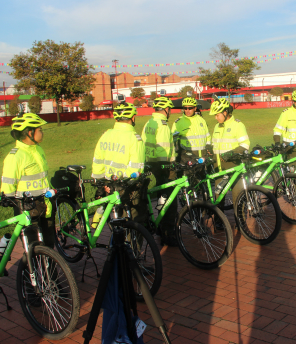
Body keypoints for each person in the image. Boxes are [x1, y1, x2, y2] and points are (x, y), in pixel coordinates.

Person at [1, 113, 55, 248]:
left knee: (49, 244)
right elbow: (8, 183)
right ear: (30, 132)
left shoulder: (38, 150)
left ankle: (50, 268)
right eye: (40, 130)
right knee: (33, 247)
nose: (42, 132)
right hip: (27, 208)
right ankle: (30, 269)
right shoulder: (16, 156)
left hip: (44, 204)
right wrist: (8, 198)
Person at [91, 102, 145, 228]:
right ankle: (133, 246)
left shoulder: (105, 135)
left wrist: (101, 183)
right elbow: (137, 167)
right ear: (132, 118)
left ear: (116, 119)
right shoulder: (134, 138)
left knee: (116, 220)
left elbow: (98, 161)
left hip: (109, 185)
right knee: (136, 219)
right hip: (127, 187)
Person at [142, 96, 178, 246]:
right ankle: (168, 234)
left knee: (161, 196)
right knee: (170, 199)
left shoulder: (148, 123)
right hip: (163, 166)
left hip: (150, 163)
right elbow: (163, 149)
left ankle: (160, 225)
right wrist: (168, 167)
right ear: (166, 109)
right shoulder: (163, 125)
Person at [210, 97, 250, 171]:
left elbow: (245, 144)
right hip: (218, 168)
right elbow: (214, 144)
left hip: (233, 167)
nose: (215, 118)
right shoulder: (217, 126)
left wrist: (231, 153)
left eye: (217, 115)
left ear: (225, 112)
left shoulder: (237, 125)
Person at [171, 95, 212, 163]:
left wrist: (208, 146)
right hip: (187, 157)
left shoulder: (201, 120)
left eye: (190, 108)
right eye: (185, 108)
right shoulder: (178, 122)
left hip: (203, 155)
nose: (187, 110)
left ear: (195, 108)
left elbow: (207, 136)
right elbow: (173, 141)